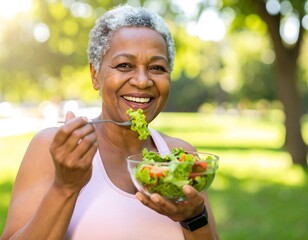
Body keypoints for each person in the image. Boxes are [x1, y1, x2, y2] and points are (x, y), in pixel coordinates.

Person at [1, 5, 219, 240]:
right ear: (95, 75)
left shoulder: (184, 158)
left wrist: (194, 216)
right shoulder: (53, 148)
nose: (143, 81)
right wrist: (65, 186)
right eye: (125, 65)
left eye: (157, 68)